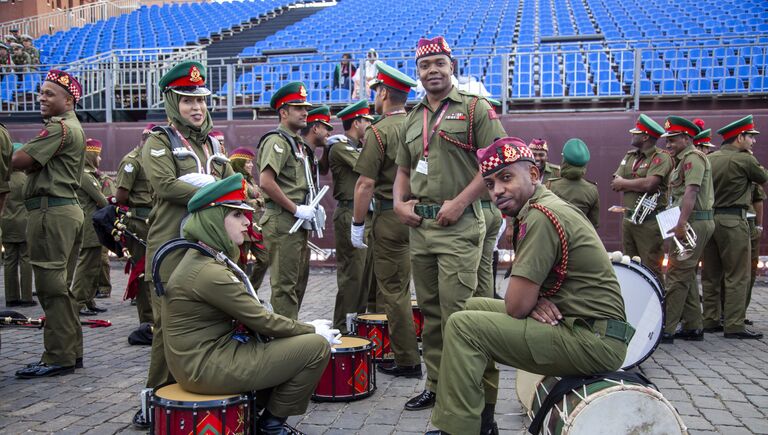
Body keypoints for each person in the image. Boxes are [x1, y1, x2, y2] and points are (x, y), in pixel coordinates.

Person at [427, 138, 630, 435]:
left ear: (533, 175)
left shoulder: (541, 215)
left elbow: (516, 305)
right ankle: (482, 421)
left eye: (506, 178)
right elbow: (526, 299)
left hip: (594, 340)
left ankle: (459, 430)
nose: (497, 190)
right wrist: (535, 300)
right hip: (581, 324)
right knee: (470, 307)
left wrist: (530, 301)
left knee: (463, 326)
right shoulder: (540, 206)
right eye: (490, 183)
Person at [163, 173, 333, 435]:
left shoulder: (203, 258)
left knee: (281, 344)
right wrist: (311, 330)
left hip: (203, 359)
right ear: (213, 220)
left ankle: (253, 413)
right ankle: (271, 427)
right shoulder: (208, 271)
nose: (247, 222)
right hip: (204, 366)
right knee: (315, 348)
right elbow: (262, 321)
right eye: (236, 215)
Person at [393, 36, 506, 411]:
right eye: (425, 66)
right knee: (431, 313)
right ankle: (438, 385)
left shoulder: (476, 109)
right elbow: (404, 170)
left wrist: (460, 202)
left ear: (451, 66)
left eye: (439, 63)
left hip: (458, 226)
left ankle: (466, 398)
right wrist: (397, 202)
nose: (432, 71)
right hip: (421, 228)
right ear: (418, 72)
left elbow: (497, 163)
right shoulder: (413, 117)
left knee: (461, 314)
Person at [133, 61, 234, 428]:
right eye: (187, 100)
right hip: (170, 247)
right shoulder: (159, 139)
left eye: (201, 100)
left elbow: (232, 184)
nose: (197, 107)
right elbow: (165, 186)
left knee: (206, 321)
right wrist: (212, 188)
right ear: (172, 102)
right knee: (168, 327)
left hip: (208, 247)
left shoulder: (213, 142)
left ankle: (191, 393)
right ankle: (154, 398)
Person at [12, 69, 85, 378]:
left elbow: (18, 162)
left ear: (68, 101)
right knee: (60, 288)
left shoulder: (60, 127)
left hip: (50, 212)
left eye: (49, 93)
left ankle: (58, 357)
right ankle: (69, 352)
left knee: (50, 287)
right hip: (63, 211)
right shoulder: (71, 126)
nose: (41, 97)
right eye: (40, 92)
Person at [352, 61, 421, 377]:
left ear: (383, 92)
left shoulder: (379, 131)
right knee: (407, 286)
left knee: (393, 292)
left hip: (389, 216)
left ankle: (407, 359)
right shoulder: (418, 125)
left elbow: (365, 183)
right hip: (417, 214)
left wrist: (357, 223)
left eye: (376, 90)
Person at [700, 115, 766, 340]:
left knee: (710, 274)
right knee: (738, 274)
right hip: (733, 221)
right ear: (740, 137)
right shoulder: (745, 160)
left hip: (710, 220)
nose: (753, 142)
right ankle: (734, 324)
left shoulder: (710, 158)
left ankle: (709, 319)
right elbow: (763, 177)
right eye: (750, 137)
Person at [257, 81, 314, 320]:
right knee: (284, 286)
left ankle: (291, 329)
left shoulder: (295, 142)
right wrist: (295, 208)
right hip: (283, 220)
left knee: (297, 281)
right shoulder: (277, 140)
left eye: (305, 108)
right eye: (298, 107)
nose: (305, 113)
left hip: (295, 220)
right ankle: (286, 343)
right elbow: (266, 181)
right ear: (283, 112)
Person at [660, 116, 715, 344]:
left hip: (692, 221)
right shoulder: (683, 159)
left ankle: (667, 329)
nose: (668, 144)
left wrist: (681, 224)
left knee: (677, 275)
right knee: (687, 274)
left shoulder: (693, 158)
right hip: (690, 220)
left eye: (672, 139)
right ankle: (693, 326)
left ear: (686, 137)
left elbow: (691, 192)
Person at [329, 99, 375, 333]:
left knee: (364, 275)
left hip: (363, 212)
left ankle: (357, 322)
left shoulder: (357, 146)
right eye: (366, 120)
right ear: (356, 122)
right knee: (352, 275)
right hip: (349, 212)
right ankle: (343, 326)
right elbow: (367, 167)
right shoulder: (340, 147)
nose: (369, 124)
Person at [610, 114, 672, 281]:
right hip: (629, 219)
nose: (632, 135)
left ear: (645, 137)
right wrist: (630, 182)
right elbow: (616, 182)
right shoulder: (630, 156)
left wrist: (626, 182)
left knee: (651, 268)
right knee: (629, 265)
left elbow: (650, 184)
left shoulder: (661, 157)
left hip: (649, 223)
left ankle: (656, 305)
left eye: (636, 133)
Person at [115, 123, 155, 325]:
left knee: (156, 270)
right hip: (139, 221)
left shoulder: (153, 159)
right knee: (142, 271)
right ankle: (147, 321)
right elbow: (121, 195)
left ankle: (156, 316)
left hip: (155, 220)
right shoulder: (132, 162)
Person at [72, 138, 109, 316]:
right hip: (89, 226)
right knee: (86, 267)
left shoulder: (87, 174)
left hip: (93, 225)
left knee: (94, 267)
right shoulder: (85, 176)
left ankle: (88, 300)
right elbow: (101, 200)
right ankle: (78, 303)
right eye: (98, 156)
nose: (100, 160)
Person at [228, 146, 269, 291]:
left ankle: (253, 289)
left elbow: (261, 197)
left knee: (265, 260)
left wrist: (255, 202)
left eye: (251, 162)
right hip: (241, 229)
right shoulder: (233, 180)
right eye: (247, 162)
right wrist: (257, 202)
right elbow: (239, 203)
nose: (251, 165)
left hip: (256, 228)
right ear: (239, 163)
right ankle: (241, 293)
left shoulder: (250, 180)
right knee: (241, 265)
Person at [2, 142, 34, 308]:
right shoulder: (25, 180)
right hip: (24, 223)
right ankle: (27, 297)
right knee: (25, 259)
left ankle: (11, 297)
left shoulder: (4, 179)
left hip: (6, 223)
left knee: (9, 260)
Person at [546, 138, 600, 228]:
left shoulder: (551, 186)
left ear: (564, 161)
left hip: (557, 238)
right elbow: (594, 224)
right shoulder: (592, 190)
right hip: (581, 238)